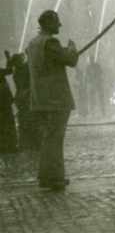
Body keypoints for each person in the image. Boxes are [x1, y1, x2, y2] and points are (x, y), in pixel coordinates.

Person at [26, 10, 78, 190]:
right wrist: (72, 48)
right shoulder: (50, 42)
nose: (60, 26)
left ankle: (46, 177)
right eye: (57, 22)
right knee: (55, 138)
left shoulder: (32, 43)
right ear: (48, 24)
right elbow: (70, 60)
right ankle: (55, 178)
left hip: (40, 100)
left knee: (48, 138)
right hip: (56, 100)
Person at [7, 52, 41, 150]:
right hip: (25, 97)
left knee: (24, 120)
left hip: (21, 97)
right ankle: (32, 143)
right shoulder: (24, 69)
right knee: (30, 119)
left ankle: (26, 142)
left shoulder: (17, 71)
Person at [0, 55, 17, 154]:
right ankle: (10, 147)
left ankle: (4, 146)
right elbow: (9, 70)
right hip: (4, 102)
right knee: (8, 123)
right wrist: (9, 60)